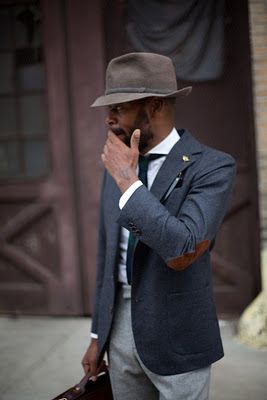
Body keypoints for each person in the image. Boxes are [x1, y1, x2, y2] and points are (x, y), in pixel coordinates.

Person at [81, 52, 236, 400]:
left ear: (154, 106)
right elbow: (108, 256)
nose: (108, 119)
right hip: (118, 328)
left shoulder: (212, 167)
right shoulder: (119, 165)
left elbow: (182, 247)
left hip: (178, 332)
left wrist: (127, 180)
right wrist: (97, 336)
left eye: (118, 107)